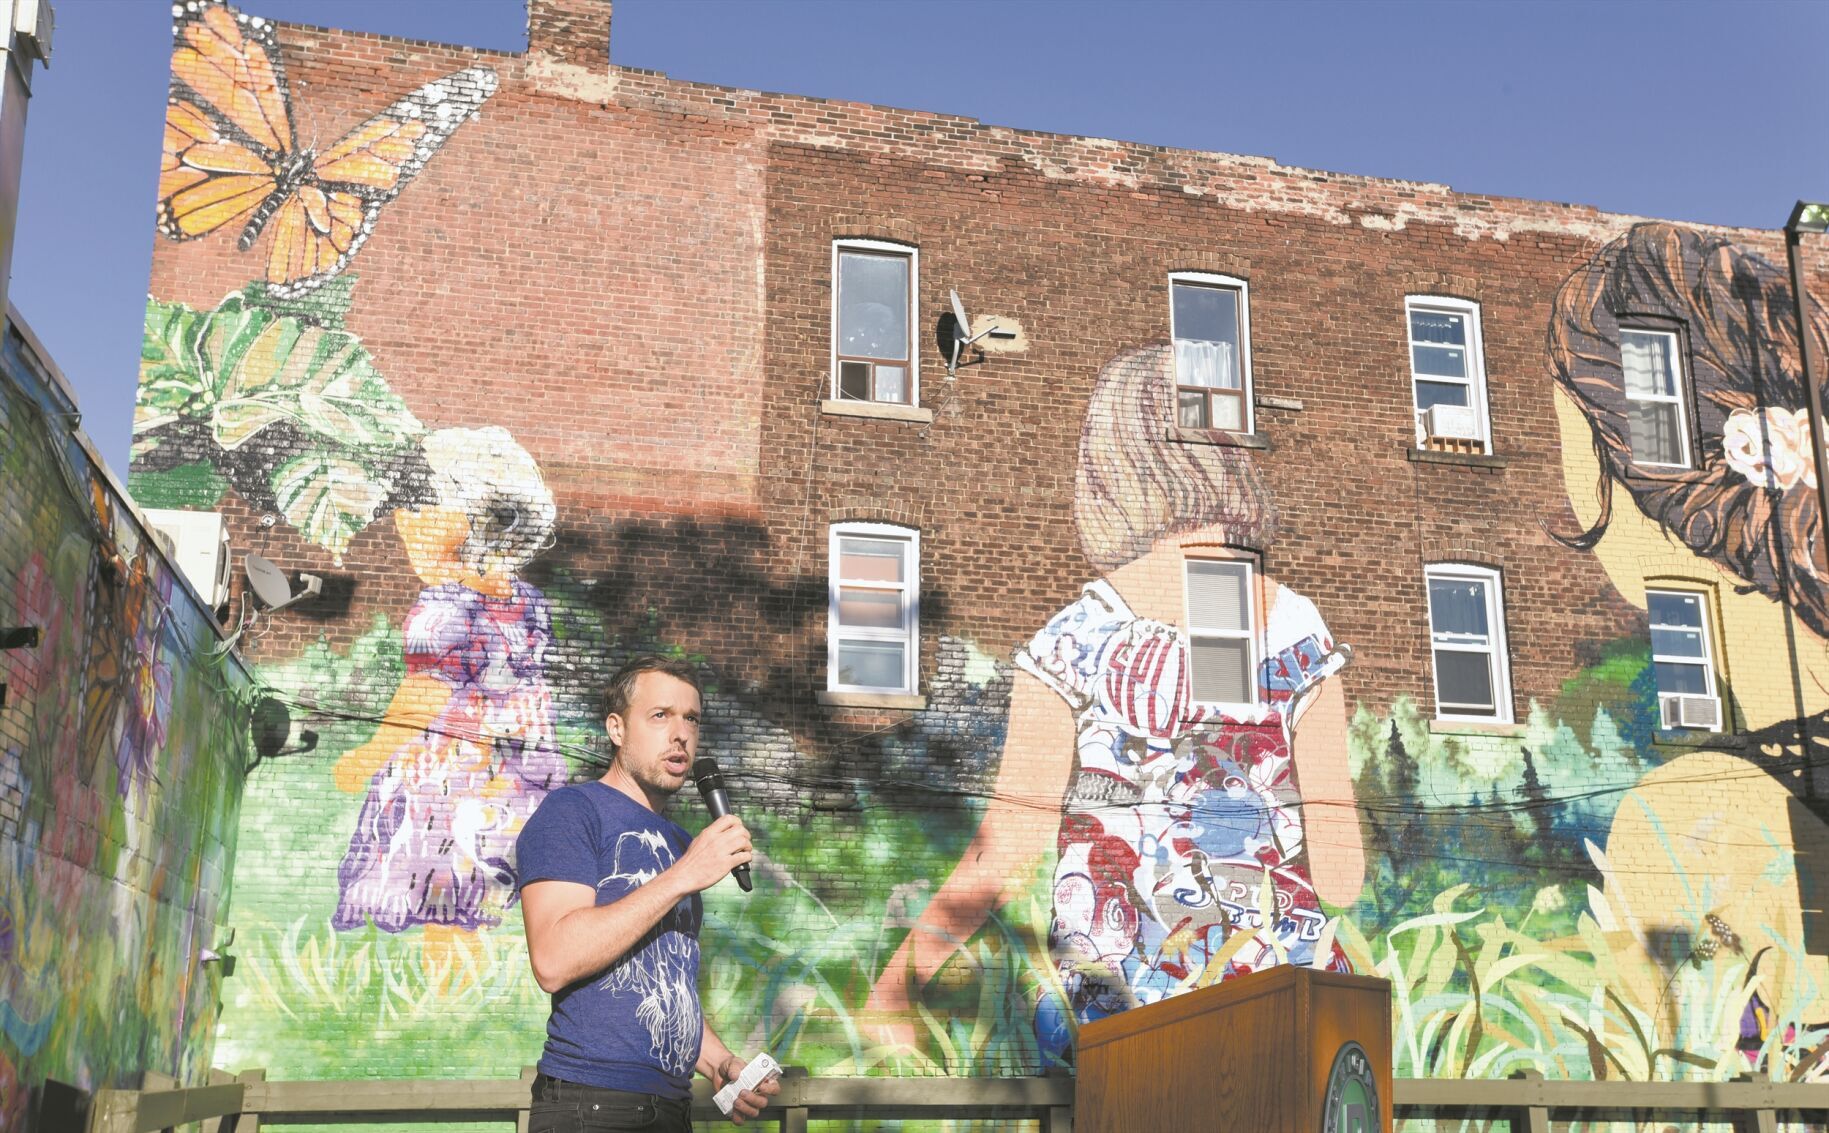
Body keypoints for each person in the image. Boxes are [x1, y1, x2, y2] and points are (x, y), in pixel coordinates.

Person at [866, 344, 1365, 1063]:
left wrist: (895, 987)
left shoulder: (1071, 639)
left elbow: (1006, 842)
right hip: (1277, 1006)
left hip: (1119, 1019)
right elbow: (1341, 870)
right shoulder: (1298, 628)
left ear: (1111, 466)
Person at [332, 426, 566, 981]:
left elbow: (424, 693)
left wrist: (368, 754)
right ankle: (461, 978)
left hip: (449, 771)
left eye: (420, 511)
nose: (405, 526)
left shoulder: (444, 607)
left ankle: (443, 982)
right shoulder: (528, 601)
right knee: (478, 881)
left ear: (482, 518)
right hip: (515, 771)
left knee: (438, 869)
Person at [517, 655, 781, 1131]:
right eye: (660, 716)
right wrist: (683, 875)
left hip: (671, 1108)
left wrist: (719, 1064)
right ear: (616, 729)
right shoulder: (572, 812)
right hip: (591, 1105)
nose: (680, 733)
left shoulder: (680, 842)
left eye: (691, 719)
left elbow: (664, 981)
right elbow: (553, 960)